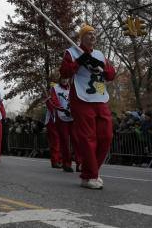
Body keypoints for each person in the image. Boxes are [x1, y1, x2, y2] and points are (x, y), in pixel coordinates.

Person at [59, 25, 115, 189]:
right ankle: (90, 175)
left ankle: (91, 171)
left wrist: (102, 67)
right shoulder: (72, 52)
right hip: (82, 98)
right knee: (88, 137)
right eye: (89, 34)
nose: (92, 37)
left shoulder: (99, 54)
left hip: (100, 98)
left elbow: (111, 74)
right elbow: (64, 72)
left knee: (106, 136)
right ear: (82, 37)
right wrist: (80, 61)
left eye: (94, 34)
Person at [48, 75, 75, 172]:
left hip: (73, 117)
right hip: (61, 118)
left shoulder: (73, 88)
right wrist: (62, 109)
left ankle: (80, 163)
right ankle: (65, 163)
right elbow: (54, 102)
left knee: (77, 140)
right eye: (63, 78)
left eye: (66, 78)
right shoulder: (55, 89)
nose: (65, 80)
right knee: (63, 141)